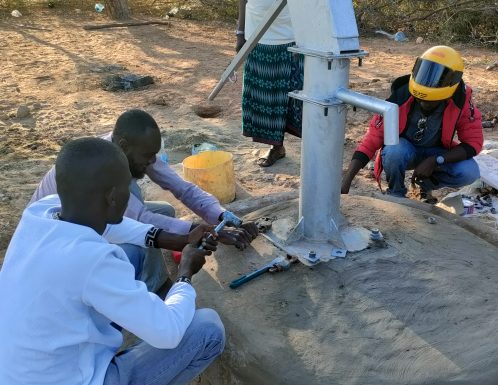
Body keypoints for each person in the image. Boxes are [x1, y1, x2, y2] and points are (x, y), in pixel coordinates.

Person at [0, 137, 225, 385]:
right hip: (70, 378)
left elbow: (120, 228)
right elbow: (168, 333)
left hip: (21, 372)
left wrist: (181, 239)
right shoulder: (94, 261)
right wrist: (184, 274)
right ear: (113, 197)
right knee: (208, 329)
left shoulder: (42, 211)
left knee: (133, 254)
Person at [29, 109, 259, 292]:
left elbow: (182, 188)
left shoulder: (130, 151)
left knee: (165, 212)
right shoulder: (102, 171)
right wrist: (202, 235)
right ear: (123, 146)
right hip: (60, 243)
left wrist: (221, 216)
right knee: (134, 247)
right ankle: (146, 292)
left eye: (154, 155)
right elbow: (139, 221)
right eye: (147, 156)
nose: (152, 161)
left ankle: (157, 282)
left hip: (89, 223)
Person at [341, 46, 483, 203]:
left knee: (470, 171)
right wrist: (348, 178)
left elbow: (473, 143)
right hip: (404, 151)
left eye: (430, 102)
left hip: (435, 153)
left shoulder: (461, 100)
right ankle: (396, 194)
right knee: (394, 151)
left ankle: (424, 187)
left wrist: (436, 160)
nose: (423, 103)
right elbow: (373, 138)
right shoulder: (400, 97)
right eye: (420, 100)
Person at [237, 0, 304, 167]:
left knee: (296, 97)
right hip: (257, 37)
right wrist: (240, 33)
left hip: (290, 37)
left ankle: (311, 151)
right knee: (265, 96)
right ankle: (277, 147)